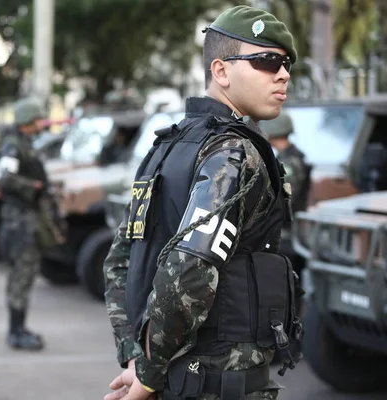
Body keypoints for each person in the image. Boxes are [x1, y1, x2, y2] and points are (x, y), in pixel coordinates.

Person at [103, 6, 303, 400]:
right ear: (221, 70)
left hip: (175, 380)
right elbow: (191, 267)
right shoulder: (235, 153)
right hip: (217, 383)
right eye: (267, 61)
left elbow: (119, 260)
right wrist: (147, 372)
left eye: (286, 64)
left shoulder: (166, 146)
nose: (283, 74)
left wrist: (135, 358)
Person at [0, 97, 58, 350]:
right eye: (35, 121)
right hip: (21, 221)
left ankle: (18, 327)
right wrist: (32, 187)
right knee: (21, 275)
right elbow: (5, 178)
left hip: (27, 218)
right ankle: (16, 331)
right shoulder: (14, 146)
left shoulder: (24, 144)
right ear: (25, 123)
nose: (39, 125)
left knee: (24, 275)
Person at [259, 110, 311, 278]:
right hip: (286, 234)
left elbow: (281, 197)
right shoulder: (288, 158)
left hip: (288, 236)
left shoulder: (291, 162)